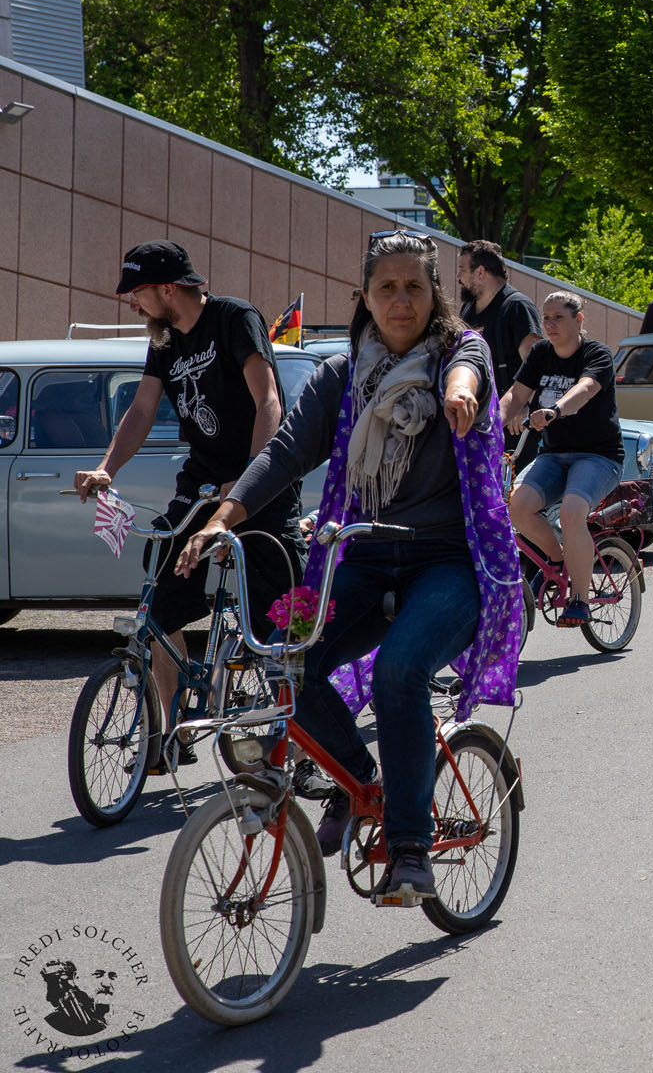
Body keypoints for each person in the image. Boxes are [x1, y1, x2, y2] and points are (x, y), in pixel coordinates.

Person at [175, 229, 525, 904]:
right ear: (364, 296)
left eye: (414, 288)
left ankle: (411, 848)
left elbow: (468, 373)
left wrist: (458, 395)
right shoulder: (341, 377)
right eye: (386, 288)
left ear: (435, 296)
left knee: (400, 669)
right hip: (359, 555)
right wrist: (224, 516)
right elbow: (284, 452)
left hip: (449, 563)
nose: (400, 301)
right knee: (287, 663)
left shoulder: (464, 350)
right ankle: (363, 778)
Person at [74, 240, 304, 770]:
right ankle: (173, 729)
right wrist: (109, 466)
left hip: (260, 476)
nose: (132, 305)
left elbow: (267, 401)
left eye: (137, 294)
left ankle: (299, 732)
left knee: (280, 600)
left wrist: (249, 483)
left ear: (168, 289)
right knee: (160, 590)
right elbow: (142, 407)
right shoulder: (165, 339)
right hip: (202, 481)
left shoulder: (234, 318)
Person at [499, 290, 624, 627]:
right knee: (517, 507)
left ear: (578, 320)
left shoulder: (597, 353)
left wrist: (554, 410)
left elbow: (585, 388)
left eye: (558, 318)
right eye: (546, 318)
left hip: (599, 456)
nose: (549, 324)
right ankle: (558, 562)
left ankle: (580, 601)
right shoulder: (540, 353)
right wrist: (491, 423)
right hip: (553, 454)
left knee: (572, 513)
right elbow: (517, 394)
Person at [457, 239, 543, 452]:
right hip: (478, 423)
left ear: (480, 272)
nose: (458, 276)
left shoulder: (516, 307)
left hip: (515, 427)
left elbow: (537, 365)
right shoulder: (468, 311)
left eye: (461, 269)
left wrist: (524, 406)